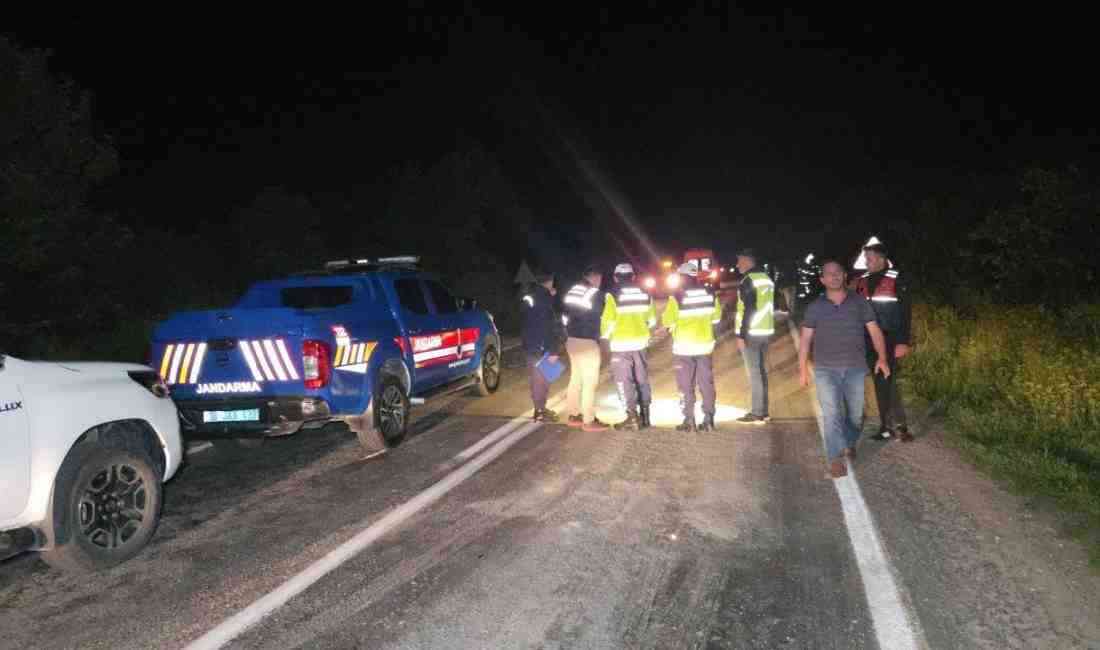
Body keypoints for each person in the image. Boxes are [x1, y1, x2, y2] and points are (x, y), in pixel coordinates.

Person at [799, 260, 892, 478]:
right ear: (822, 279)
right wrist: (802, 368)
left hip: (854, 369)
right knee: (831, 414)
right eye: (829, 273)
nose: (834, 276)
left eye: (838, 272)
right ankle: (835, 460)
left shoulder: (859, 303)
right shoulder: (815, 307)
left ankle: (847, 442)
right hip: (825, 369)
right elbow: (805, 339)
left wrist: (882, 358)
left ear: (844, 276)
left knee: (856, 417)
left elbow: (874, 331)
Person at [854, 242, 914, 442]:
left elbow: (905, 312)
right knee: (883, 381)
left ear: (881, 259)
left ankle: (892, 427)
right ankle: (894, 426)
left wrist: (903, 341)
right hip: (868, 339)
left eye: (869, 258)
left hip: (890, 338)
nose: (866, 262)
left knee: (884, 380)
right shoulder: (862, 281)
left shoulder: (897, 278)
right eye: (866, 258)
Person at [662, 261, 723, 432]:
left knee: (685, 385)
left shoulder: (677, 296)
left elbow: (667, 321)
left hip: (684, 347)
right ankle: (709, 420)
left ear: (682, 277)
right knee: (706, 383)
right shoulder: (710, 293)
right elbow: (716, 318)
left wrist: (672, 326)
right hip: (704, 346)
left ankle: (689, 420)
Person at [600, 262, 657, 430]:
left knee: (624, 380)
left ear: (615, 278)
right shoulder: (645, 293)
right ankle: (645, 417)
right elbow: (652, 320)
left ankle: (632, 417)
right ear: (633, 276)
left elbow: (608, 322)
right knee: (642, 379)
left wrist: (604, 337)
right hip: (640, 343)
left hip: (620, 344)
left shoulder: (612, 295)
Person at [562, 266, 610, 432]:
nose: (600, 282)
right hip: (587, 342)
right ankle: (589, 420)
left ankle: (573, 415)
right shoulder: (595, 294)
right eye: (600, 278)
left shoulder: (572, 291)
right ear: (595, 278)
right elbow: (601, 317)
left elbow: (564, 316)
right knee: (590, 382)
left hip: (571, 340)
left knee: (575, 379)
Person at [734, 248, 775, 424]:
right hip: (766, 330)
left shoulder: (748, 280)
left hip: (751, 333)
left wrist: (741, 335)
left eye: (739, 261)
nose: (737, 265)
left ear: (747, 261)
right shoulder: (766, 278)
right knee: (761, 372)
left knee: (754, 373)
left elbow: (749, 309)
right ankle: (763, 411)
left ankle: (757, 413)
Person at [520, 272, 562, 422]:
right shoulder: (544, 299)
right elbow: (549, 325)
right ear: (550, 282)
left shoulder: (529, 296)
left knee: (537, 378)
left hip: (530, 343)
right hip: (541, 345)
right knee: (541, 379)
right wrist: (553, 349)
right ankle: (540, 411)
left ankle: (540, 408)